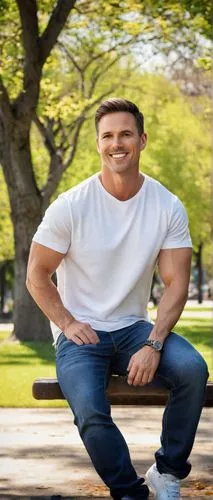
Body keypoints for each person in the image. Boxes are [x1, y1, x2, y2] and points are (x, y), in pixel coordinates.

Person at [26, 98, 208, 500]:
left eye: (125, 134)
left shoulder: (166, 205)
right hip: (81, 336)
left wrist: (154, 342)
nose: (116, 143)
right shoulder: (71, 206)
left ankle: (168, 471)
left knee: (193, 370)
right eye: (107, 136)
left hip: (134, 329)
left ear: (141, 140)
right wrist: (69, 323)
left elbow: (176, 282)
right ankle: (130, 493)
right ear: (98, 144)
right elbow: (36, 275)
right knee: (90, 411)